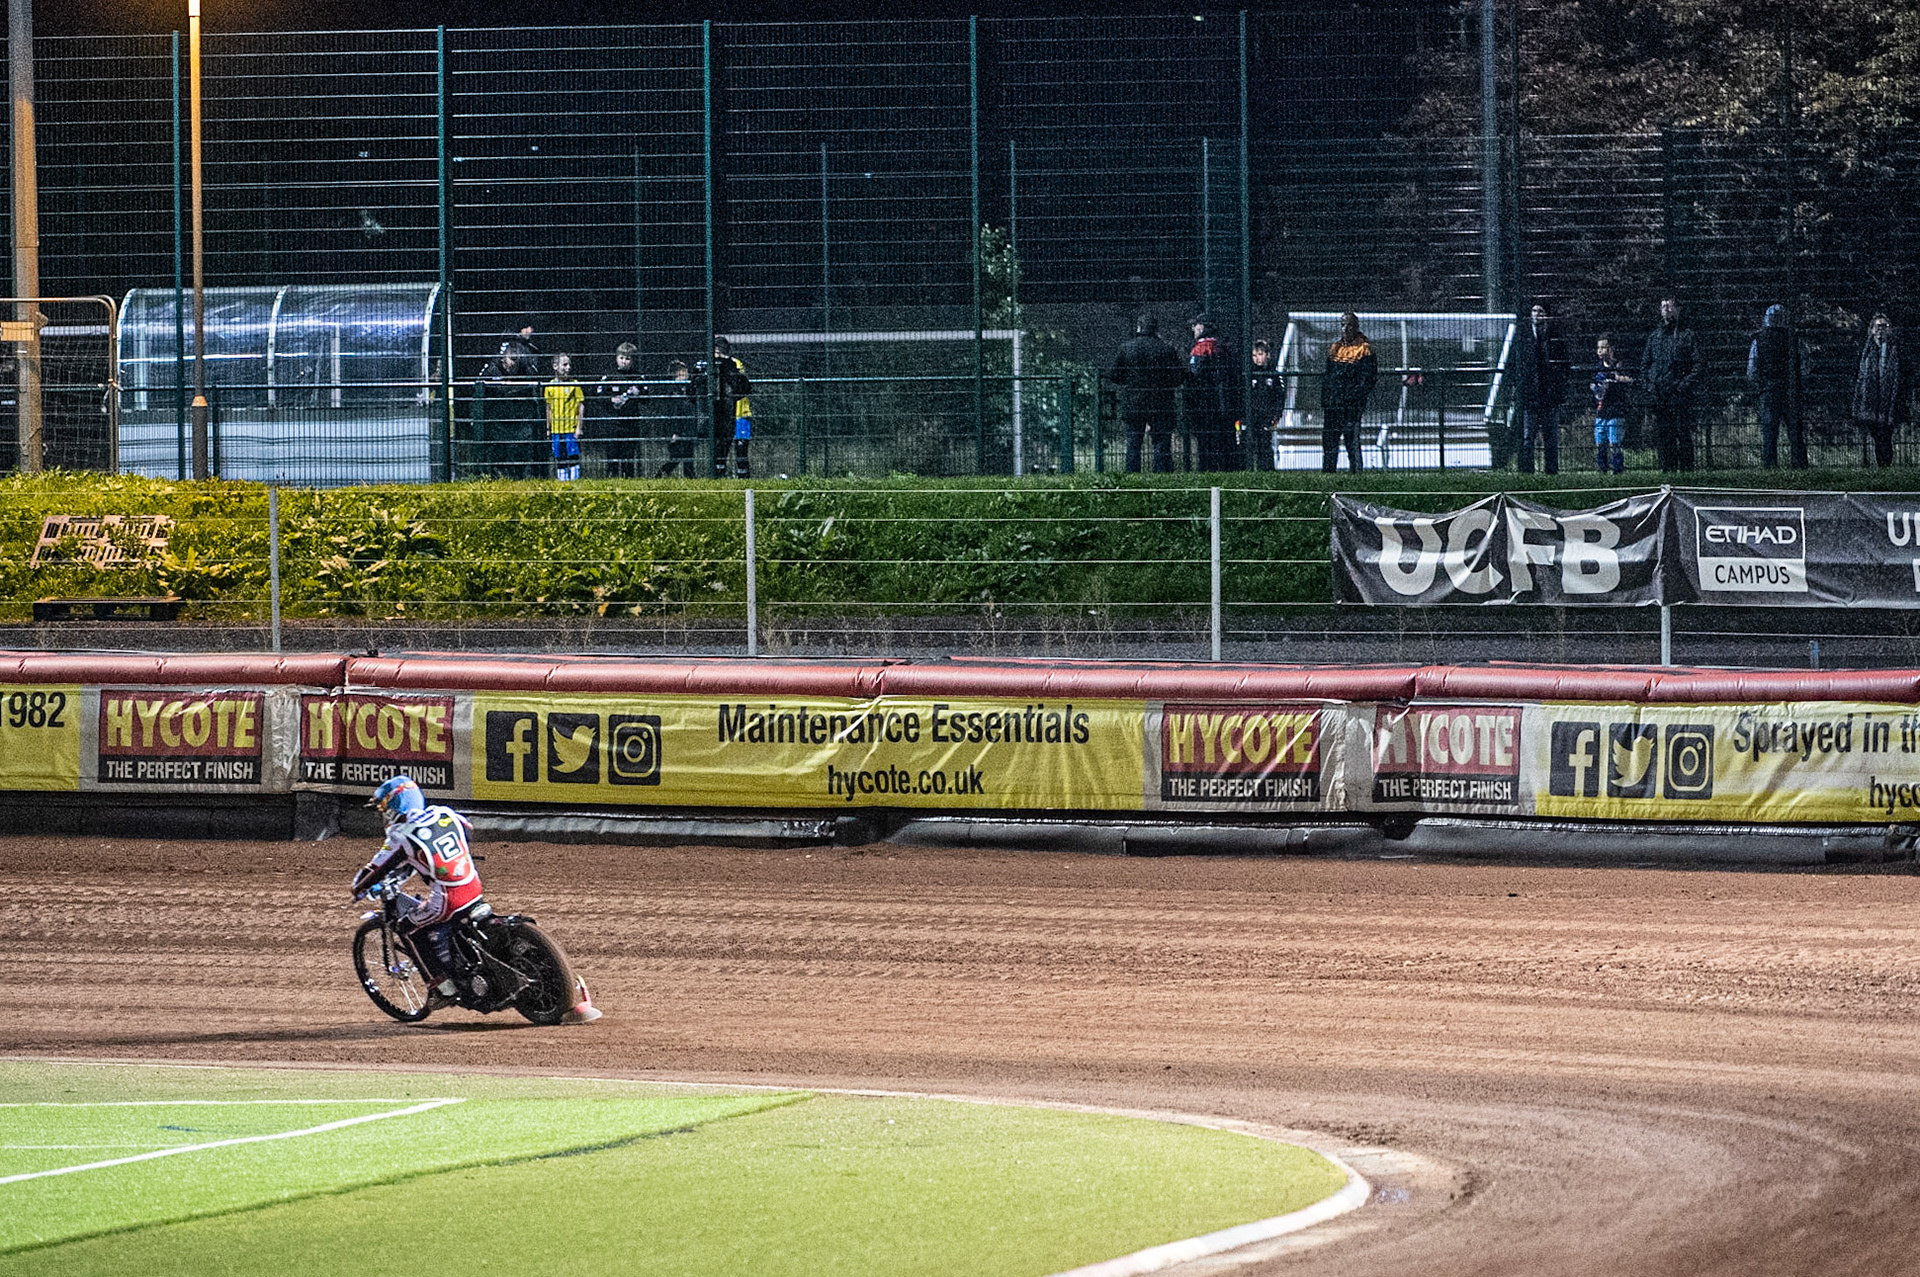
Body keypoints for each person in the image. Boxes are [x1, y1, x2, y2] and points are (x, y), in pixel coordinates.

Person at [352, 775, 484, 1004]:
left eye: (384, 809)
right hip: (473, 884)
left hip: (448, 899)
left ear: (394, 807)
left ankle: (442, 988)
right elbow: (468, 831)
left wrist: (358, 888)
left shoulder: (402, 836)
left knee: (407, 928)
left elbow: (377, 870)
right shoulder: (444, 812)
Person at [1107, 313, 1182, 473]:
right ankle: (1162, 475)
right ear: (1156, 329)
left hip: (1134, 401)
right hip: (1161, 401)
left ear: (1139, 327)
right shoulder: (1167, 349)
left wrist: (1129, 381)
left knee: (1133, 443)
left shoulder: (1126, 348)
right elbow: (1178, 377)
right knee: (1161, 443)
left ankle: (1132, 476)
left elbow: (1114, 375)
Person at [1640, 297, 1701, 472]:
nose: (1666, 309)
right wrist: (1649, 385)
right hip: (1659, 394)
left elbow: (1698, 364)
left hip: (1679, 393)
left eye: (1670, 305)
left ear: (1678, 309)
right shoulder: (1654, 337)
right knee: (1664, 435)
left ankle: (1686, 470)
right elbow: (1645, 365)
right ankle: (1668, 469)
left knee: (1682, 432)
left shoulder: (1687, 335)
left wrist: (1683, 385)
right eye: (1663, 306)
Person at [1516, 301, 1570, 474]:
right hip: (1530, 395)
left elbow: (1564, 365)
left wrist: (1558, 387)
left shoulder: (1554, 337)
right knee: (1528, 436)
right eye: (1534, 311)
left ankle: (1551, 470)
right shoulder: (1523, 337)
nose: (1537, 314)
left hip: (1549, 394)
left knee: (1550, 436)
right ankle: (1527, 471)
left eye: (1540, 311)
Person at [475, 339, 543, 478]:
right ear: (503, 358)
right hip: (498, 421)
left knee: (521, 452)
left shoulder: (526, 369)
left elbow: (534, 389)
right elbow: (479, 391)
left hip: (520, 420)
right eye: (512, 359)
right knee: (499, 453)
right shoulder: (492, 370)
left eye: (516, 359)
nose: (514, 363)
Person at [1748, 304, 1804, 469]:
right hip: (1790, 388)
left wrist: (1758, 385)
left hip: (1769, 389)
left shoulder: (1759, 339)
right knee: (1795, 430)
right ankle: (1799, 464)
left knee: (1769, 430)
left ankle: (1769, 465)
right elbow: (1806, 364)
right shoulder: (1794, 339)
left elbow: (1752, 368)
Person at [1320, 311, 1377, 472]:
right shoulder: (1335, 348)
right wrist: (1326, 399)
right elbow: (1328, 376)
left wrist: (1355, 398)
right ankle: (1328, 472)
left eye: (1349, 325)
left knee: (1351, 440)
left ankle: (1356, 472)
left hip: (1351, 404)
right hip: (1333, 403)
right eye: (1343, 325)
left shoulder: (1364, 349)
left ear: (1356, 327)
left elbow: (1368, 379)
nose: (1345, 329)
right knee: (1329, 440)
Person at [1852, 313, 1909, 468]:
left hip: (1888, 398)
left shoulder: (1895, 350)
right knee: (1876, 435)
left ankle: (1885, 465)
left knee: (1885, 435)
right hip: (1871, 398)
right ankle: (1881, 465)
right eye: (1878, 326)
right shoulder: (1866, 351)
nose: (1880, 330)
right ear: (1872, 329)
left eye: (1884, 326)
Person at [1185, 313, 1238, 471]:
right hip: (1225, 402)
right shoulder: (1225, 348)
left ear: (1203, 327)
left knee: (1206, 443)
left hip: (1205, 404)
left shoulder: (1201, 349)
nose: (1193, 328)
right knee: (1224, 441)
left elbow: (1194, 376)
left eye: (1196, 325)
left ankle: (1207, 470)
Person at [695, 337, 752, 479]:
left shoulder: (733, 363)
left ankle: (743, 478)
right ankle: (720, 476)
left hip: (740, 414)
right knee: (720, 448)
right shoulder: (710, 365)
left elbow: (740, 385)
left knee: (741, 448)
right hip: (723, 415)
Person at [594, 342, 646, 479]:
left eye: (627, 358)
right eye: (621, 358)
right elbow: (598, 396)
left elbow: (647, 399)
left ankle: (628, 480)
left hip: (631, 423)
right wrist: (611, 400)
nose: (624, 361)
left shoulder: (638, 377)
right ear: (616, 358)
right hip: (613, 424)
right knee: (612, 455)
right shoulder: (609, 376)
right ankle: (612, 480)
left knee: (628, 456)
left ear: (633, 360)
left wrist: (639, 393)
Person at [1590, 333, 1634, 474]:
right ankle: (1602, 469)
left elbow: (1630, 380)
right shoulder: (1597, 368)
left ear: (1611, 349)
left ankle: (1617, 470)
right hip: (1601, 411)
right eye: (1598, 347)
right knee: (1600, 442)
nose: (1600, 351)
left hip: (1616, 411)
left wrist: (1617, 378)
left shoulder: (1620, 366)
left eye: (1604, 347)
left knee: (1614, 442)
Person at [544, 353, 584, 481]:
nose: (568, 368)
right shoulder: (550, 386)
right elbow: (548, 408)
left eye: (569, 365)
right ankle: (563, 482)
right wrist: (548, 428)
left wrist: (579, 427)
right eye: (565, 365)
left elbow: (580, 406)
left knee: (573, 455)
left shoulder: (574, 384)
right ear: (555, 366)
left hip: (570, 428)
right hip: (557, 429)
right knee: (560, 457)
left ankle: (575, 481)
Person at [1244, 338, 1282, 472]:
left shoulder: (1273, 374)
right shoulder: (1248, 374)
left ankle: (1267, 470)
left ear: (1267, 355)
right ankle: (1248, 470)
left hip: (1266, 416)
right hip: (1251, 416)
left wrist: (1276, 414)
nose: (1257, 358)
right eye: (1254, 355)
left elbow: (1279, 396)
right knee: (1248, 443)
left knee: (1265, 444)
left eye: (1260, 354)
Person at [657, 359, 698, 478]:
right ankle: (663, 472)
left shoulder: (688, 389)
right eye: (682, 373)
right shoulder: (673, 391)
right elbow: (673, 413)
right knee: (677, 455)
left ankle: (689, 476)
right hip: (678, 429)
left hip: (688, 428)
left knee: (688, 454)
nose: (686, 374)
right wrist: (674, 432)